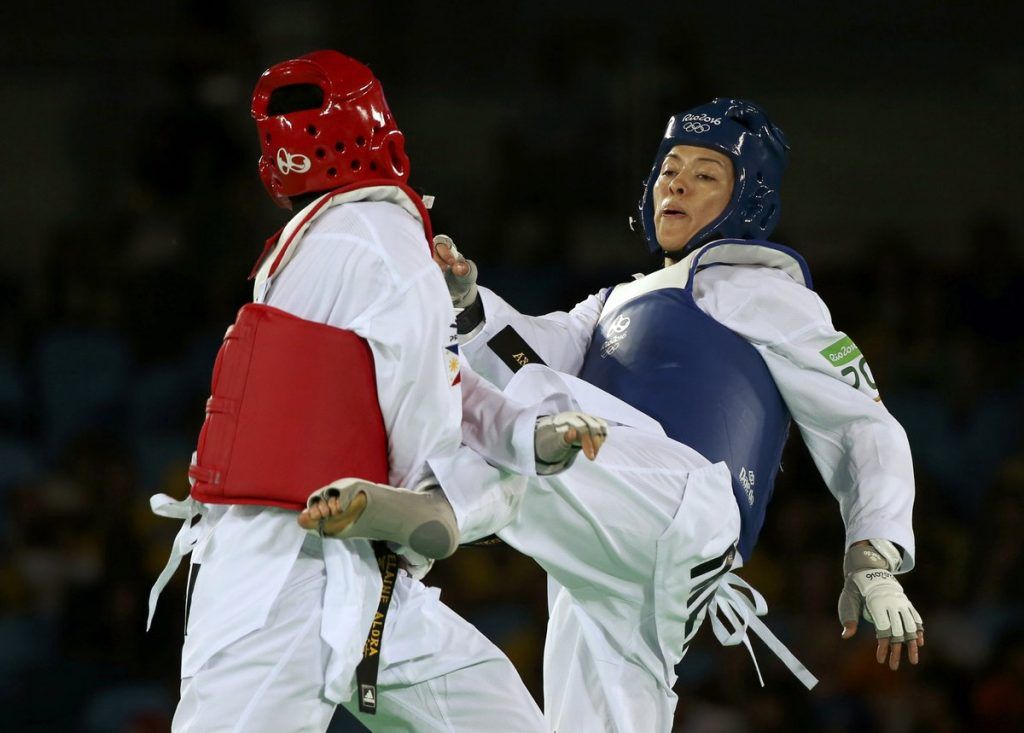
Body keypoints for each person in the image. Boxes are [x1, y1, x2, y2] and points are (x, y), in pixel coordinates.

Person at [423, 99, 923, 728]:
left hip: (685, 504)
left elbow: (861, 422)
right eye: (669, 169)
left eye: (705, 174)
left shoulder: (766, 291)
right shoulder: (611, 302)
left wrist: (872, 554)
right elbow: (528, 358)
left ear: (748, 198)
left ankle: (447, 495)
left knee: (523, 422)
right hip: (610, 538)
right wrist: (467, 303)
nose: (677, 184)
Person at [146, 50, 550, 732]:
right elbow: (422, 424)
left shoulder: (309, 245)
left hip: (343, 567)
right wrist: (437, 513)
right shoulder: (384, 238)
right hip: (283, 580)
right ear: (382, 134)